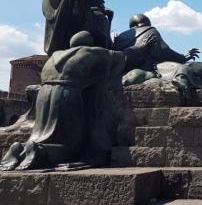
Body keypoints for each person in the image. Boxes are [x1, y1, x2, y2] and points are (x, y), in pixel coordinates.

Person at [0, 31, 134, 171]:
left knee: (42, 134)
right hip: (67, 93)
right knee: (72, 146)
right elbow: (122, 58)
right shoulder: (96, 52)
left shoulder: (54, 56)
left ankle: (19, 148)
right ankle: (39, 151)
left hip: (43, 95)